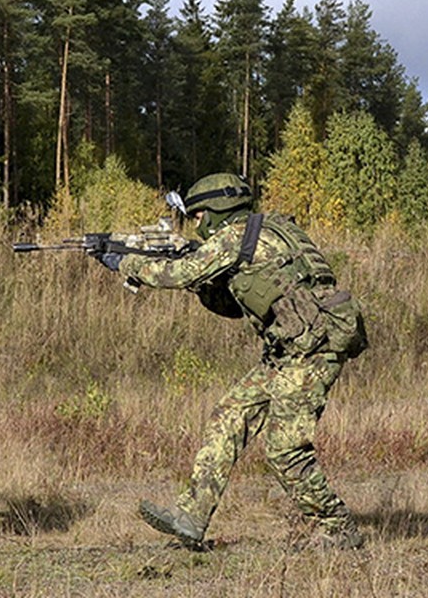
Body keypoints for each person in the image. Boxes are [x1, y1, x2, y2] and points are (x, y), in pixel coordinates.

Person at [93, 173, 368, 551]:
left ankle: (338, 526)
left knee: (285, 449)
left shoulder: (235, 235)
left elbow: (177, 273)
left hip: (310, 351)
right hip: (289, 349)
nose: (198, 224)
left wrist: (124, 263)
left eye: (199, 215)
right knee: (229, 417)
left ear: (217, 211)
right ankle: (191, 517)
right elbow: (236, 304)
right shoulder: (269, 229)